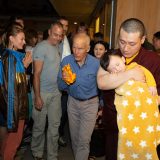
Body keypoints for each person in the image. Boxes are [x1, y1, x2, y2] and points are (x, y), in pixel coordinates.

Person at [97, 18, 160, 160]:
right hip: (115, 127)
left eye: (132, 44)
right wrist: (130, 73)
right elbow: (101, 82)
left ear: (143, 39)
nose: (125, 49)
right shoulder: (111, 57)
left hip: (141, 130)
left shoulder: (153, 60)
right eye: (122, 42)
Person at [58, 33, 100, 160]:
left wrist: (101, 106)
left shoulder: (96, 64)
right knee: (75, 139)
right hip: (72, 103)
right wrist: (65, 81)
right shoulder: (66, 61)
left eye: (80, 48)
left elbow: (102, 86)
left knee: (83, 141)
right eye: (74, 47)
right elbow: (60, 86)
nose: (76, 51)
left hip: (90, 104)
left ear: (87, 48)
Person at [31, 21, 63, 160]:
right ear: (49, 32)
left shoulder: (59, 47)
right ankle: (37, 153)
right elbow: (36, 74)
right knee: (39, 126)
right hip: (42, 93)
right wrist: (38, 97)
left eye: (60, 35)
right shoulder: (41, 47)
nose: (57, 38)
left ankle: (52, 155)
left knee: (54, 127)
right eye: (55, 34)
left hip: (56, 93)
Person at [0, 22, 30, 160]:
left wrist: (24, 66)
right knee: (13, 144)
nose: (24, 42)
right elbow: (10, 90)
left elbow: (15, 83)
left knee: (9, 143)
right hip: (15, 109)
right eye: (21, 39)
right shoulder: (11, 58)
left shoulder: (14, 57)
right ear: (11, 39)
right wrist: (14, 116)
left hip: (15, 108)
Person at [88, 41, 108, 160]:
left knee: (101, 126)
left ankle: (100, 151)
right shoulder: (89, 63)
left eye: (101, 49)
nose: (98, 51)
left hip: (103, 99)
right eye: (96, 49)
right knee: (91, 126)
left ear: (105, 51)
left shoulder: (109, 64)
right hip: (91, 98)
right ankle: (92, 153)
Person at [57, 16, 71, 147]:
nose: (64, 28)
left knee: (64, 110)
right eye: (62, 25)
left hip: (69, 81)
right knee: (57, 111)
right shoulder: (54, 41)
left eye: (66, 25)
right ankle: (56, 135)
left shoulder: (70, 40)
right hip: (57, 81)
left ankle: (59, 133)